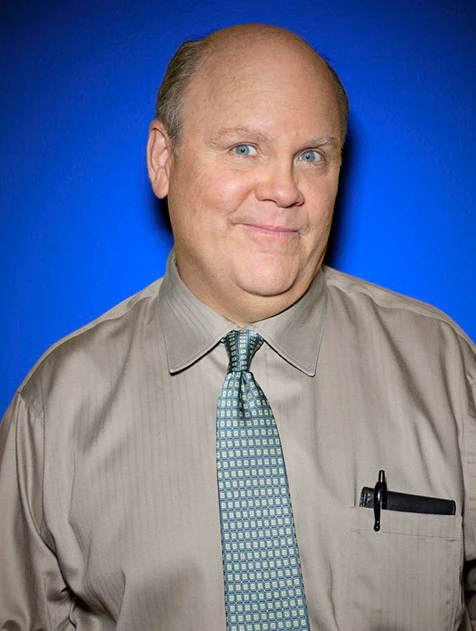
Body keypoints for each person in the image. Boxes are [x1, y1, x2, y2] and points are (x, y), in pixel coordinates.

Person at [0, 22, 475, 631]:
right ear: (163, 159)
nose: (284, 190)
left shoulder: (444, 369)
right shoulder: (55, 409)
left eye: (312, 156)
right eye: (244, 148)